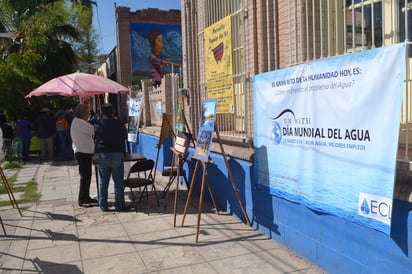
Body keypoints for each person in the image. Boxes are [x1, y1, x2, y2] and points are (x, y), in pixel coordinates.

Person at [94, 103, 128, 212]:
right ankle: (119, 205)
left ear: (102, 112)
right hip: (117, 154)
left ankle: (103, 205)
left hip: (103, 154)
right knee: (118, 182)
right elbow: (125, 135)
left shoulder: (98, 123)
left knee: (103, 182)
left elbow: (95, 137)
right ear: (112, 111)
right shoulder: (118, 122)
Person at [71, 103, 97, 207]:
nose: (88, 114)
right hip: (83, 153)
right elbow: (93, 130)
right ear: (83, 113)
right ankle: (82, 199)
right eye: (87, 112)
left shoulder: (79, 122)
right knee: (85, 176)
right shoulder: (80, 123)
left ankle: (86, 196)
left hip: (84, 152)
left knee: (87, 176)